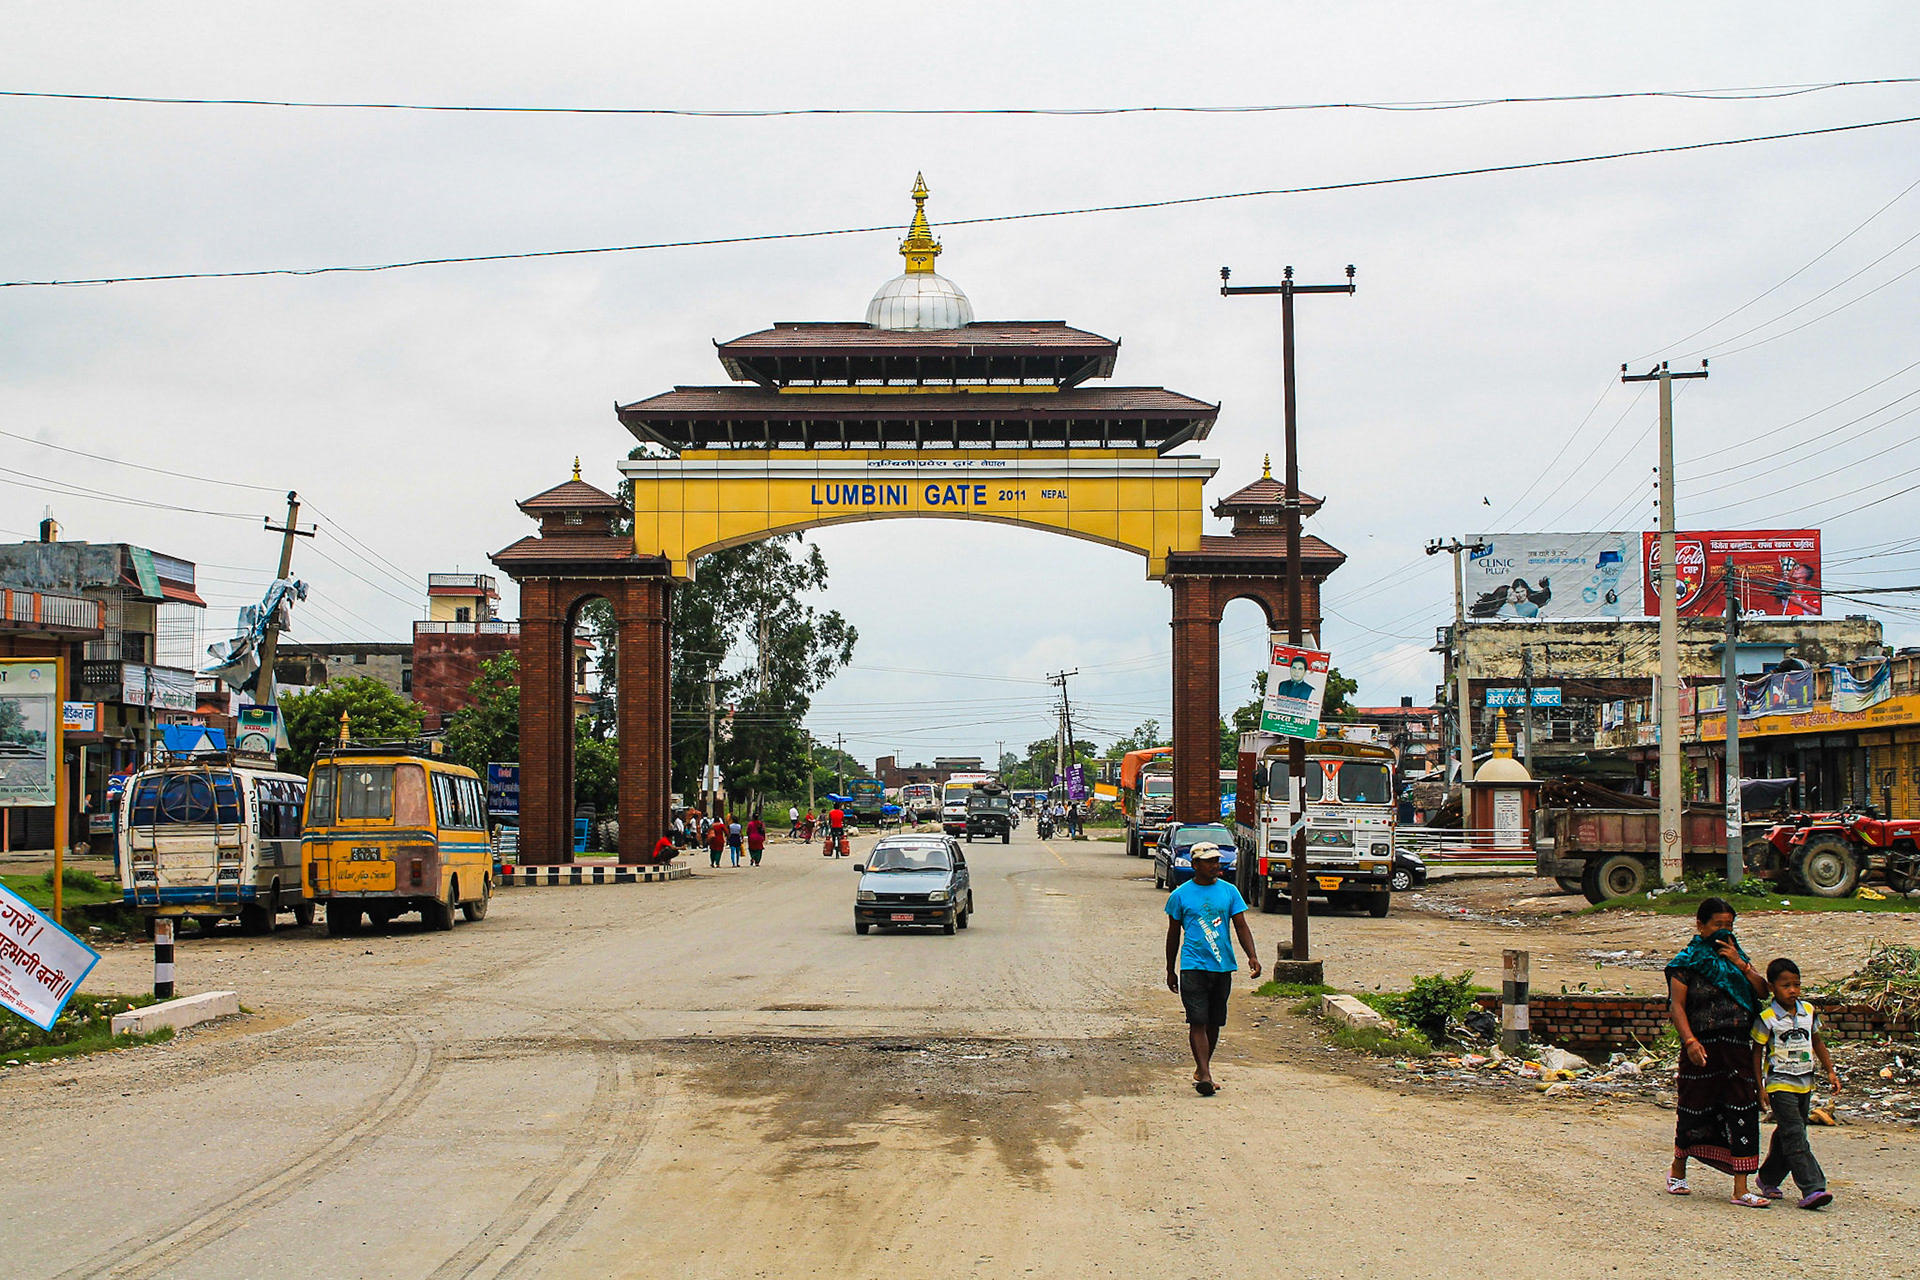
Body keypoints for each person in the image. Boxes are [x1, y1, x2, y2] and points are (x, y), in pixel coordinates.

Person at [1665, 896, 1772, 1206]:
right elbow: (1678, 1006)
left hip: (1738, 1046)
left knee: (1742, 1108)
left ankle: (1741, 1188)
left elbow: (1762, 992)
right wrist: (1690, 1042)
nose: (1724, 931)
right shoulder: (1686, 962)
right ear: (1700, 926)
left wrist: (1742, 965)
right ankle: (1678, 1168)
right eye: (1718, 925)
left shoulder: (1738, 959)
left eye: (1729, 925)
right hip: (1703, 1047)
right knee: (1694, 1107)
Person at [1162, 844, 1261, 1097]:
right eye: (1209, 862)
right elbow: (1173, 934)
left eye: (1217, 861)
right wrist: (1170, 969)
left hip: (1223, 966)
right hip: (1192, 966)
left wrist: (1252, 956)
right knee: (1197, 1021)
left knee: (1214, 1022)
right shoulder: (1180, 895)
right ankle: (1205, 1075)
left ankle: (1201, 1067)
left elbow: (1241, 926)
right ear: (1195, 865)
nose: (1215, 865)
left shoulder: (1230, 892)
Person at [1753, 958, 1840, 1209]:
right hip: (1780, 1084)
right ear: (1772, 988)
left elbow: (1817, 1042)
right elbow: (1757, 1052)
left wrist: (1831, 1072)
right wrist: (1760, 1087)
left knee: (1788, 1133)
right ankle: (1813, 1187)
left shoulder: (1808, 1012)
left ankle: (1767, 1178)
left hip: (1805, 1082)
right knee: (1795, 1134)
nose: (1792, 990)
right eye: (1785, 986)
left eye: (1797, 985)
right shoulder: (1767, 1018)